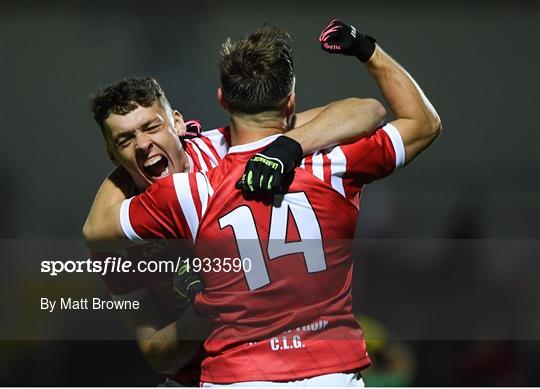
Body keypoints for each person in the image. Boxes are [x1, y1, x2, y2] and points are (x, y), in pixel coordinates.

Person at [84, 20, 441, 386]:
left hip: (237, 374)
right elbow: (156, 351)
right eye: (125, 140)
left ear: (180, 122)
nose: (143, 145)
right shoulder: (328, 163)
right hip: (272, 370)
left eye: (151, 127)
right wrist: (205, 314)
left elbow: (363, 110)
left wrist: (292, 144)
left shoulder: (199, 180)